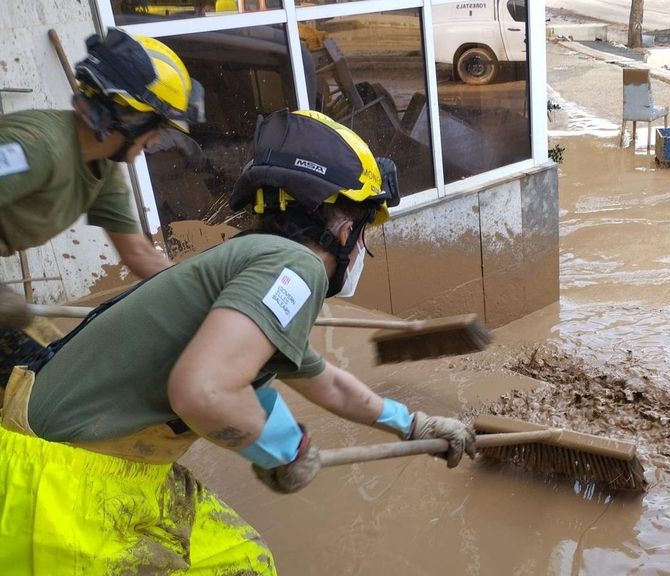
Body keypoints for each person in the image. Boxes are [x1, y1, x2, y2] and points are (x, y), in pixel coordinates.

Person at [0, 109, 476, 574]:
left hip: (96, 462)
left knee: (240, 558)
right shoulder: (295, 268)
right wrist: (284, 447)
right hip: (62, 484)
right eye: (366, 233)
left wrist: (413, 424)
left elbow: (326, 382)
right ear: (347, 228)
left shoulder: (252, 264)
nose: (362, 251)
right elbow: (204, 392)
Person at [0, 28, 204, 383]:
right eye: (158, 127)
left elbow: (139, 253)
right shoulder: (34, 148)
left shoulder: (103, 168)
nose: (156, 139)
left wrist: (203, 300)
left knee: (45, 380)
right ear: (129, 116)